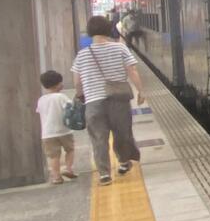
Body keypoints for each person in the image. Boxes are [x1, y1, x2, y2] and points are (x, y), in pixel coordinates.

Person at [71, 16, 145, 186]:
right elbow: (132, 70)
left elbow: (77, 81)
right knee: (122, 133)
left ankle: (104, 174)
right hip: (118, 100)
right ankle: (124, 163)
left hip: (93, 102)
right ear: (108, 29)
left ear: (89, 32)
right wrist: (141, 91)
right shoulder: (120, 48)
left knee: (99, 138)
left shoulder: (82, 55)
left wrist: (81, 95)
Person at [36, 70, 79, 184]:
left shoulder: (41, 100)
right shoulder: (61, 97)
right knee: (70, 149)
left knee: (53, 156)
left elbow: (39, 112)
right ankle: (68, 168)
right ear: (59, 84)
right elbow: (70, 108)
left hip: (47, 133)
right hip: (64, 130)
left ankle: (56, 177)